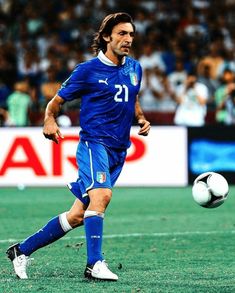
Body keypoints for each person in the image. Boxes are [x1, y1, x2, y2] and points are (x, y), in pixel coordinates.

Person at [6, 12, 150, 281]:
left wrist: (140, 117)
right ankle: (94, 264)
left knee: (77, 215)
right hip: (94, 144)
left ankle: (21, 251)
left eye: (131, 34)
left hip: (119, 149)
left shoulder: (135, 68)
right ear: (107, 36)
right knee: (102, 197)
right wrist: (49, 120)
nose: (128, 39)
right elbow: (55, 103)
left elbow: (133, 96)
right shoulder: (87, 71)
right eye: (122, 33)